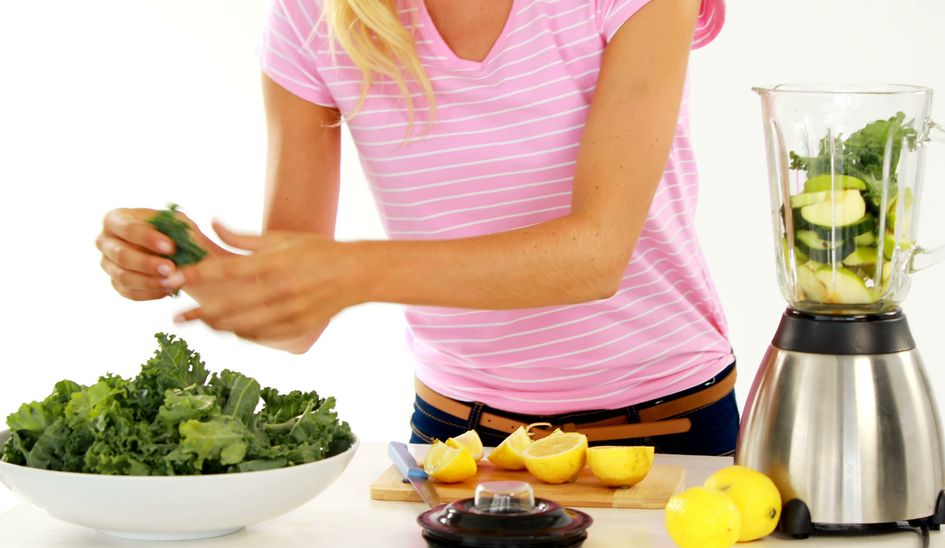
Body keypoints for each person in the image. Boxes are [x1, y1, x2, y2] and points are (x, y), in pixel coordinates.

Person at [95, 0, 738, 454]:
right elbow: (298, 318)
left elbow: (596, 256)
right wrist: (179, 262)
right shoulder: (311, 12)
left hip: (663, 432)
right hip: (453, 440)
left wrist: (350, 272)